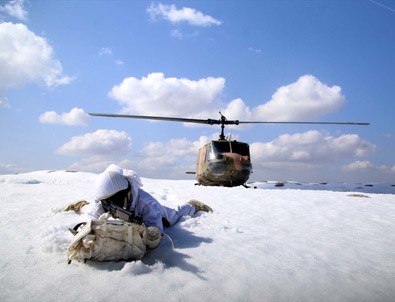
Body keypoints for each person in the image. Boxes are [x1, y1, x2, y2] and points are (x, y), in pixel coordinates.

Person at [64, 164, 212, 249]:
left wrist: (145, 233)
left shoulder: (147, 203)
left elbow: (156, 233)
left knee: (174, 215)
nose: (110, 205)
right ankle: (80, 204)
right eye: (106, 202)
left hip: (158, 215)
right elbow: (92, 215)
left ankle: (192, 205)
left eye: (115, 201)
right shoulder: (105, 202)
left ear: (127, 193)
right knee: (87, 208)